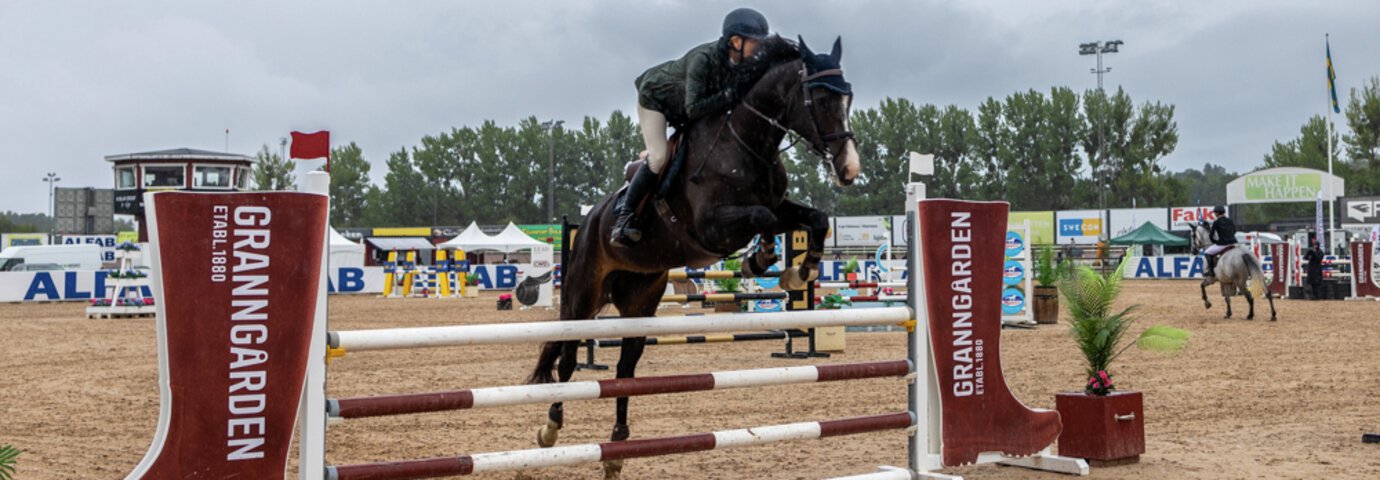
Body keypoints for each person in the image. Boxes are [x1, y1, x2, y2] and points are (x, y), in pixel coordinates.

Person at [610, 7, 771, 247]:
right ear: (736, 41)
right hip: (656, 100)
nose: (759, 49)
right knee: (658, 156)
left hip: (686, 110)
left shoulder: (739, 65)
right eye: (755, 43)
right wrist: (729, 94)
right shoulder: (703, 59)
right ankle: (624, 219)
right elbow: (694, 108)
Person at [1200, 205, 1236, 277]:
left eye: (1215, 213)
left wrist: (1216, 242)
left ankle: (1211, 271)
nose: (1214, 214)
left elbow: (1211, 235)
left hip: (1223, 244)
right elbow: (1234, 231)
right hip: (1233, 243)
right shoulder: (1230, 220)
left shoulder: (1216, 222)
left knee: (1207, 252)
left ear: (1217, 213)